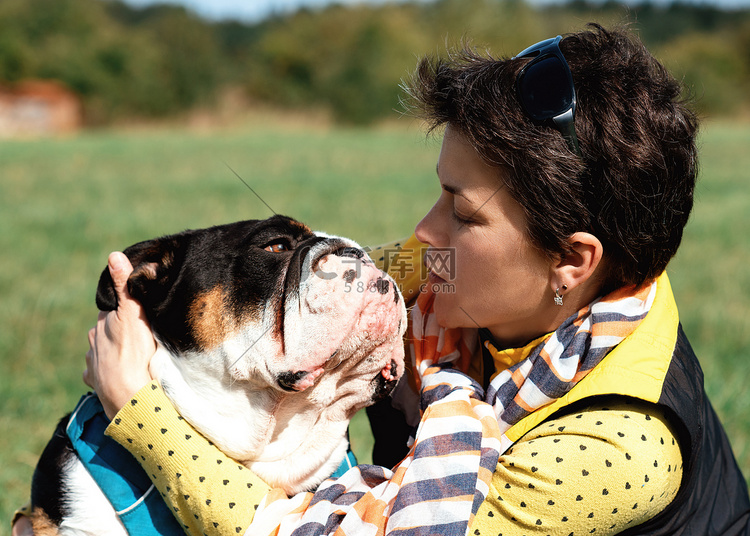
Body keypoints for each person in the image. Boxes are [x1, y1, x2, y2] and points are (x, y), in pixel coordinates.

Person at [14, 23, 750, 536]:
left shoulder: (620, 450)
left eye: (462, 212)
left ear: (573, 261)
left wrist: (138, 408)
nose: (425, 233)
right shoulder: (477, 282)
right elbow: (348, 277)